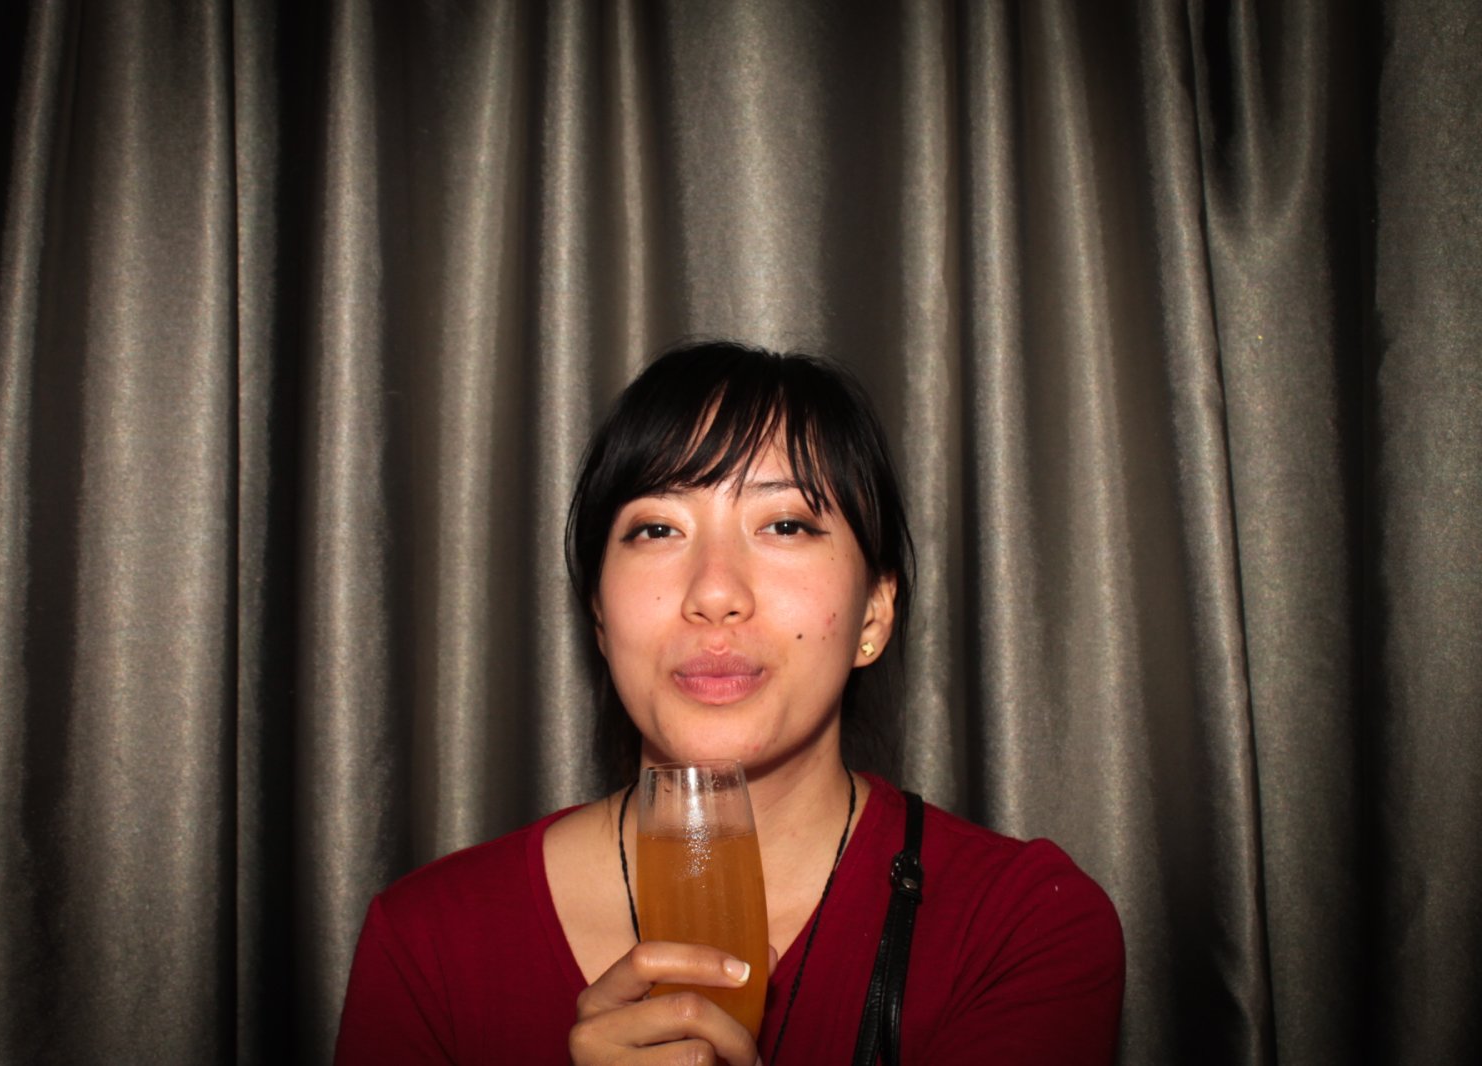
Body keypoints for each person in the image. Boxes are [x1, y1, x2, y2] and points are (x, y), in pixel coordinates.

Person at [333, 341, 1124, 1064]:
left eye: (784, 524)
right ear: (600, 618)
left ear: (874, 616)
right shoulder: (430, 942)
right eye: (657, 530)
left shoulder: (1023, 927)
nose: (714, 592)